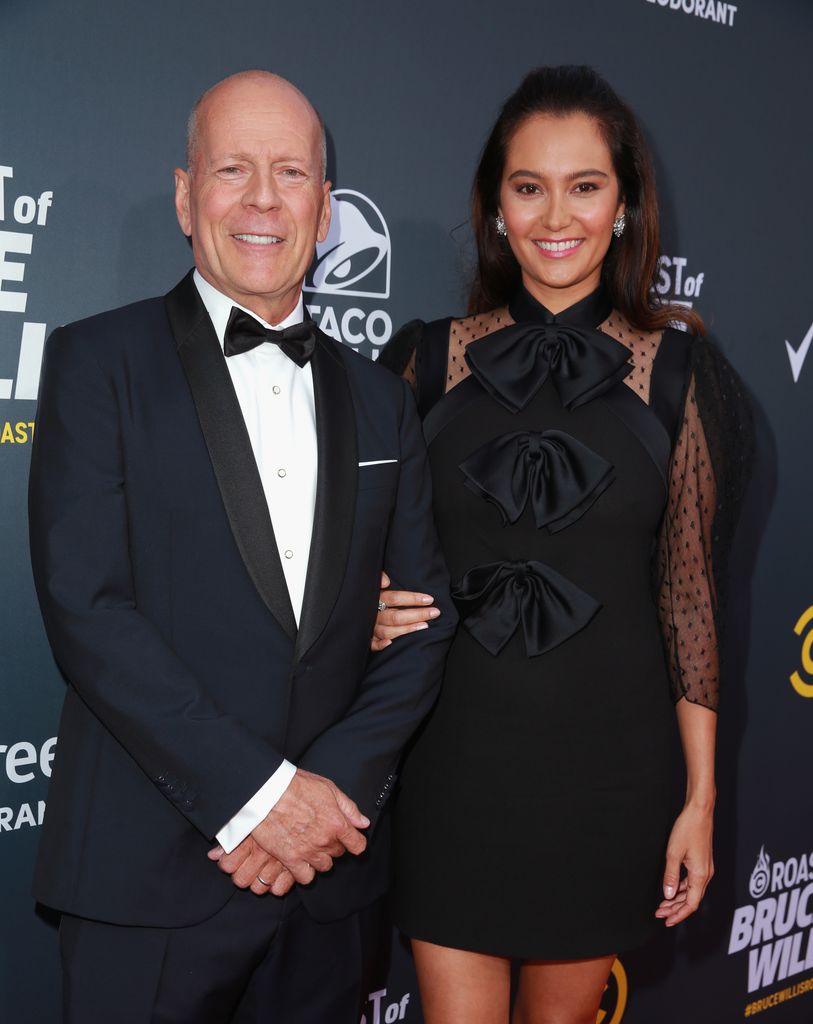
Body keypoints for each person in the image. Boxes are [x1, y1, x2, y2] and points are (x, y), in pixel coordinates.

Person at [28, 70, 455, 1024]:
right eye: (232, 169)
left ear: (326, 208)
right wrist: (262, 799)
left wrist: (323, 801)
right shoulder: (98, 363)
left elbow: (423, 623)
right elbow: (85, 608)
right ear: (187, 197)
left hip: (327, 887)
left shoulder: (385, 396)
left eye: (290, 173)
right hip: (148, 883)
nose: (263, 200)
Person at [375, 65, 752, 1024]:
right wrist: (365, 606)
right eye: (527, 186)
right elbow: (357, 550)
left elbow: (690, 601)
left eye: (584, 185)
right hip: (449, 767)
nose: (556, 215)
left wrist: (698, 802)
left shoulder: (681, 373)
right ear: (495, 207)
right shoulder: (422, 360)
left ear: (623, 204)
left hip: (610, 777)